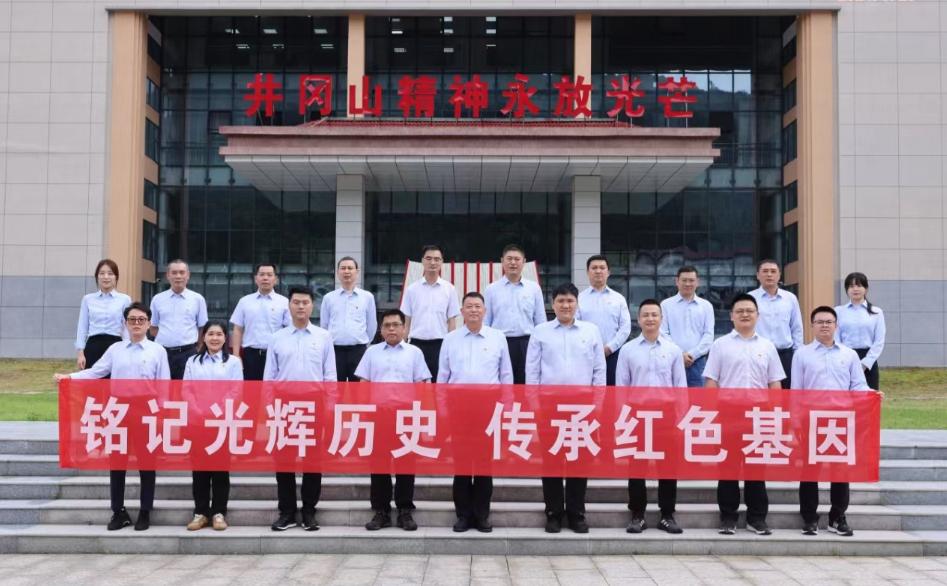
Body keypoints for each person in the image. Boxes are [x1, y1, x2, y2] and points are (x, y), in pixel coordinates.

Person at [55, 302, 169, 532]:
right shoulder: (115, 349)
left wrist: (161, 413)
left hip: (146, 409)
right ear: (125, 323)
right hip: (118, 410)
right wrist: (70, 377)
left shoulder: (158, 351)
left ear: (148, 324)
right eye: (132, 320)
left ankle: (145, 511)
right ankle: (118, 511)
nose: (136, 324)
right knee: (117, 462)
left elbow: (164, 385)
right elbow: (96, 372)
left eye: (141, 320)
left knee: (147, 463)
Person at [526, 283, 606, 534]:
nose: (565, 305)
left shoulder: (591, 331)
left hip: (582, 405)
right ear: (553, 304)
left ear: (577, 304)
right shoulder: (540, 332)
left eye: (570, 301)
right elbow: (532, 372)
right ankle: (553, 513)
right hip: (550, 405)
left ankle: (576, 513)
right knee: (551, 461)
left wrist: (597, 405)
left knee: (579, 461)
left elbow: (599, 370)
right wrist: (535, 406)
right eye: (561, 301)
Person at [792, 305, 879, 538]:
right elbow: (796, 391)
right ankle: (809, 518)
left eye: (828, 322)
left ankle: (837, 517)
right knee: (810, 471)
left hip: (840, 420)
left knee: (840, 472)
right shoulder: (802, 354)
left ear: (836, 325)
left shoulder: (849, 355)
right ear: (812, 326)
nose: (824, 326)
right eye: (819, 322)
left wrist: (871, 394)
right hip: (811, 419)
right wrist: (796, 421)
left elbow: (857, 385)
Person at [704, 293, 785, 536]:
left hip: (759, 414)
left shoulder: (767, 346)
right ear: (731, 316)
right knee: (728, 468)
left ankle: (756, 518)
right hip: (728, 412)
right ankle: (728, 517)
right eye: (739, 311)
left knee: (756, 469)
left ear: (758, 315)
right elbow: (711, 382)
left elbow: (775, 383)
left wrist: (776, 415)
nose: (745, 314)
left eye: (749, 311)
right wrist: (711, 415)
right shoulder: (720, 345)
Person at [437, 292, 514, 533]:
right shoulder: (450, 339)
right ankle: (463, 515)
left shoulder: (498, 337)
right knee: (461, 464)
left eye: (477, 306)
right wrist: (442, 408)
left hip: (488, 405)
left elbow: (506, 375)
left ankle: (481, 515)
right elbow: (442, 376)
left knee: (483, 464)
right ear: (461, 312)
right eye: (469, 306)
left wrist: (507, 406)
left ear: (485, 311)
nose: (473, 310)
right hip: (458, 405)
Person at [264, 285, 336, 532]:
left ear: (312, 306)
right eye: (296, 302)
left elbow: (330, 375)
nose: (301, 306)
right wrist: (268, 408)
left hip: (314, 402)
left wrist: (330, 407)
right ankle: (286, 511)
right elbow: (269, 377)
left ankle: (308, 511)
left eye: (305, 302)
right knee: (283, 460)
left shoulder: (323, 337)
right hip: (283, 404)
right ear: (289, 306)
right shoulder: (277, 337)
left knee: (312, 460)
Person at [356, 309, 431, 532]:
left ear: (404, 328)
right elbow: (363, 384)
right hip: (379, 415)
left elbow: (422, 385)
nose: (391, 329)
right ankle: (381, 511)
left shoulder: (415, 353)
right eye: (387, 325)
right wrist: (364, 414)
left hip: (406, 415)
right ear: (381, 330)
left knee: (406, 464)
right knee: (379, 464)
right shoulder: (371, 353)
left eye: (396, 325)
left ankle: (405, 510)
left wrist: (421, 416)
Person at [615, 299, 686, 535]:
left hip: (666, 414)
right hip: (637, 414)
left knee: (668, 467)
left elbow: (680, 387)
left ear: (661, 319)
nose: (650, 319)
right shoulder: (628, 350)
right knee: (637, 467)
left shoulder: (673, 350)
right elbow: (622, 387)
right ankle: (638, 514)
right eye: (645, 315)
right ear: (638, 319)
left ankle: (667, 514)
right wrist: (622, 419)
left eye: (655, 315)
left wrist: (682, 419)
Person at [183, 320, 243, 532]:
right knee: (199, 469)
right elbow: (187, 389)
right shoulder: (192, 361)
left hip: (222, 422)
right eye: (210, 334)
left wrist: (215, 411)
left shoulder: (233, 362)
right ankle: (200, 512)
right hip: (197, 421)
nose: (215, 338)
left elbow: (236, 390)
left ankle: (218, 513)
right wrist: (199, 410)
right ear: (204, 337)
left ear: (225, 338)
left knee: (220, 470)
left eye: (219, 334)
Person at [483, 244, 546, 384]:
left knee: (527, 383)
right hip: (500, 342)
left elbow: (540, 321)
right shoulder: (491, 289)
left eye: (517, 259)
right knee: (501, 383)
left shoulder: (533, 288)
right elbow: (486, 322)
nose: (513, 262)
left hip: (527, 344)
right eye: (509, 259)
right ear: (502, 261)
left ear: (524, 262)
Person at [400, 244, 460, 380]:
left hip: (440, 345)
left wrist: (452, 347)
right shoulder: (412, 289)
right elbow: (407, 321)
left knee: (439, 383)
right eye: (428, 258)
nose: (433, 262)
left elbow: (451, 322)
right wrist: (402, 346)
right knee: (416, 383)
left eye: (437, 259)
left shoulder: (449, 289)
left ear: (442, 262)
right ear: (422, 261)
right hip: (416, 344)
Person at [229, 263, 290, 381]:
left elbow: (289, 330)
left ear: (276, 279)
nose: (265, 278)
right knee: (251, 389)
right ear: (256, 278)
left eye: (269, 275)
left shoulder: (284, 302)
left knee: (274, 389)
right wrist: (236, 356)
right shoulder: (245, 301)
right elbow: (237, 329)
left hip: (276, 354)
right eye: (262, 274)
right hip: (250, 355)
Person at [576, 255, 631, 386]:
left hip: (613, 354)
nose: (598, 271)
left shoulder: (618, 299)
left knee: (612, 390)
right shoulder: (579, 299)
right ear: (587, 272)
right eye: (594, 268)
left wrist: (610, 348)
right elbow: (575, 326)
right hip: (586, 354)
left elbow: (625, 327)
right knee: (587, 390)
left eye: (602, 268)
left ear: (608, 272)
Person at [321, 256, 378, 382]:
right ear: (337, 272)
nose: (346, 271)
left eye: (350, 268)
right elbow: (324, 325)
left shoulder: (367, 297)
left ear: (357, 272)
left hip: (358, 350)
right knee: (335, 387)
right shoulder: (328, 298)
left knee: (358, 389)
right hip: (335, 351)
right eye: (343, 268)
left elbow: (372, 325)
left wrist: (364, 343)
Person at [150, 259, 209, 380]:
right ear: (168, 275)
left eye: (182, 272)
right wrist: (167, 339)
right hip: (163, 353)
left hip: (188, 352)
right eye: (174, 272)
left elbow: (202, 327)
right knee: (162, 387)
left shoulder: (197, 299)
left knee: (186, 388)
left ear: (188, 275)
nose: (178, 276)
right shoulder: (157, 299)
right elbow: (153, 327)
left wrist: (198, 348)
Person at [749, 259, 802, 388]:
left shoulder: (790, 298)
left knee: (786, 393)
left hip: (785, 355)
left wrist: (797, 353)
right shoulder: (750, 298)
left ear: (779, 275)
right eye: (765, 271)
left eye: (773, 271)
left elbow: (796, 328)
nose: (769, 274)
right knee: (759, 392)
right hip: (758, 354)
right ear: (758, 275)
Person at [659, 266, 715, 387]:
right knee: (671, 396)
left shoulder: (706, 306)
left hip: (698, 362)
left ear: (697, 282)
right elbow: (663, 333)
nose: (688, 284)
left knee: (698, 397)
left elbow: (708, 335)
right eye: (684, 280)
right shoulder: (666, 305)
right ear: (677, 281)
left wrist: (692, 355)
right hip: (671, 359)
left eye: (691, 280)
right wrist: (680, 354)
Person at [75, 259, 132, 370]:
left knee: (114, 380)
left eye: (110, 273)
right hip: (93, 346)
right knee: (92, 379)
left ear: (116, 277)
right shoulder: (87, 299)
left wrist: (127, 351)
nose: (106, 277)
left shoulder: (125, 299)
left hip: (116, 345)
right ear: (97, 277)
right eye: (102, 273)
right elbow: (82, 327)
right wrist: (80, 353)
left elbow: (126, 328)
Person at [835, 272, 886, 391]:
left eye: (859, 285)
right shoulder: (838, 311)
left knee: (869, 398)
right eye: (851, 286)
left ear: (866, 288)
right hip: (845, 359)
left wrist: (865, 364)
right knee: (845, 397)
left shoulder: (877, 312)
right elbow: (836, 339)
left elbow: (879, 341)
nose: (855, 289)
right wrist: (843, 360)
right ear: (846, 290)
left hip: (868, 361)